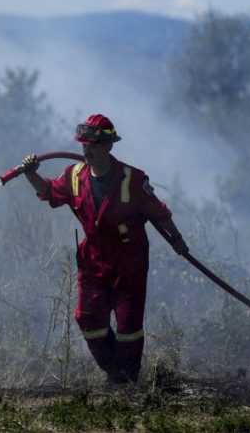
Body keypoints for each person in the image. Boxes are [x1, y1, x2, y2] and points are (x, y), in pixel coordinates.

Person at [21, 114, 189, 385]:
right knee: (87, 318)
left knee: (128, 326)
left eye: (94, 145)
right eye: (84, 144)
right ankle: (115, 372)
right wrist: (30, 174)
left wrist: (177, 240)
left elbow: (159, 213)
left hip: (129, 261)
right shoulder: (74, 176)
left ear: (108, 146)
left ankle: (128, 380)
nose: (87, 150)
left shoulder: (132, 179)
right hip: (93, 261)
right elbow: (49, 192)